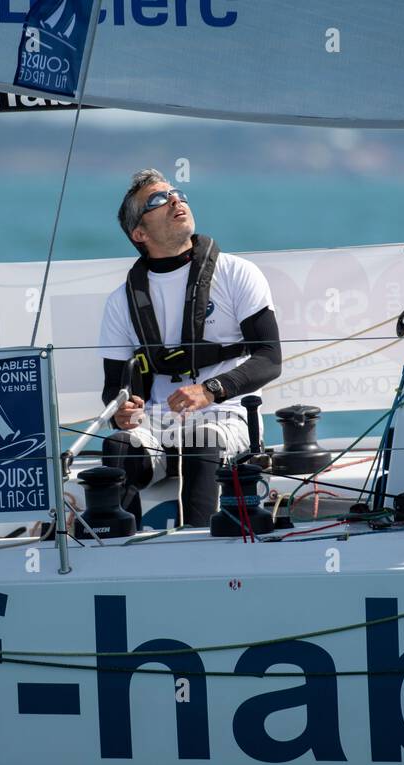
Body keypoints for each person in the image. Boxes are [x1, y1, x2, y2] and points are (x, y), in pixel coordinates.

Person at [98, 168, 282, 527]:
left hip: (225, 415)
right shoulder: (121, 301)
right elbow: (113, 389)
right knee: (118, 445)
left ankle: (199, 550)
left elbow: (269, 359)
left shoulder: (237, 273)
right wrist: (121, 411)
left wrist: (211, 390)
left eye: (177, 193)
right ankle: (122, 551)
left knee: (201, 440)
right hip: (156, 422)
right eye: (158, 200)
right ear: (139, 233)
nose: (175, 200)